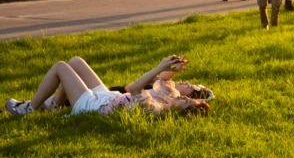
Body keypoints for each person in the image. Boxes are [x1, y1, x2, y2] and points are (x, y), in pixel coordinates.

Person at [5, 55, 210, 118]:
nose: (185, 96)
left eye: (187, 101)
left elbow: (135, 89)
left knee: (60, 67)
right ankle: (54, 105)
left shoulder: (155, 110)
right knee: (75, 61)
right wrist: (173, 67)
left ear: (179, 113)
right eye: (189, 97)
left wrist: (159, 66)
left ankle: (28, 109)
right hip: (108, 96)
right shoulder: (169, 96)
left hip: (94, 107)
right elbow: (163, 80)